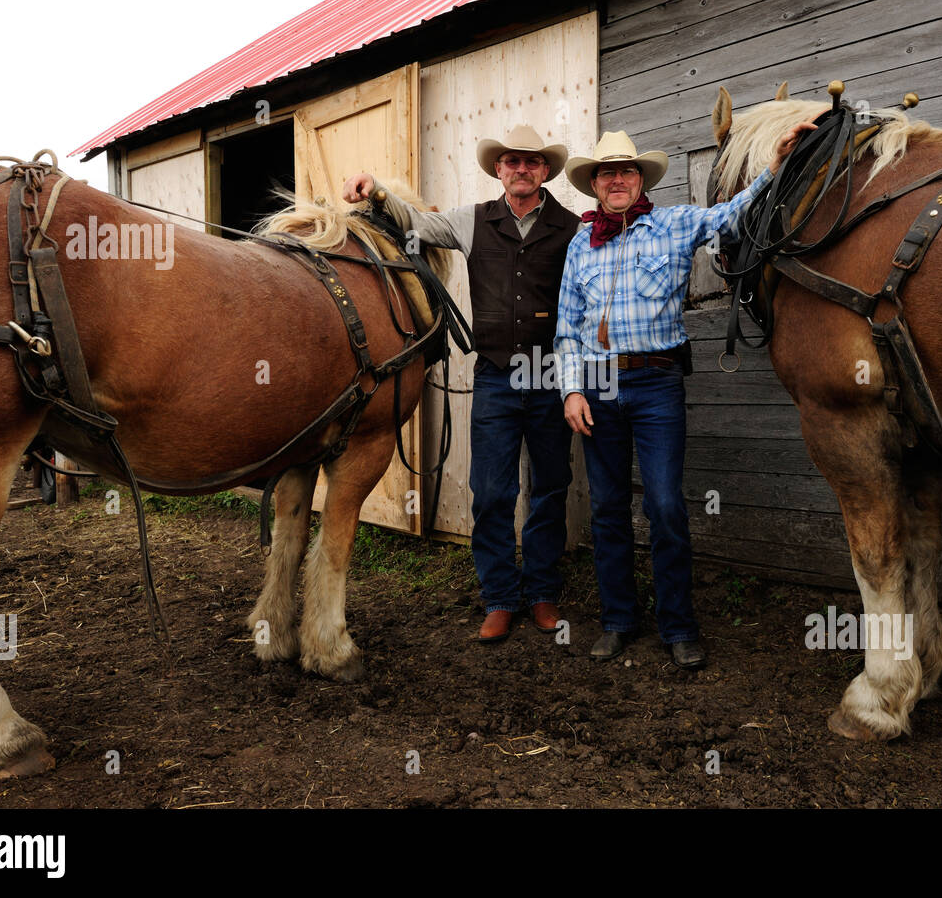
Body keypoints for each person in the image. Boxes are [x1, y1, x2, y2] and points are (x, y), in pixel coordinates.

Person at [555, 124, 814, 669]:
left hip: (655, 384)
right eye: (607, 173)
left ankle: (678, 625)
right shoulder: (582, 241)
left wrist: (776, 163)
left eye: (625, 171)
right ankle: (618, 620)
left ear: (640, 179)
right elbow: (567, 326)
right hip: (597, 386)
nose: (616, 180)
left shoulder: (673, 224)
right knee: (606, 507)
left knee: (666, 505)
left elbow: (733, 214)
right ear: (595, 184)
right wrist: (572, 389)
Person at [343, 125, 582, 644]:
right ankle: (499, 597)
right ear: (499, 170)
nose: (521, 169)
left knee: (549, 488)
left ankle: (541, 592)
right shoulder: (473, 221)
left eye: (532, 162)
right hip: (496, 376)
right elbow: (416, 223)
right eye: (512, 161)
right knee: (491, 491)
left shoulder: (571, 227)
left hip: (548, 375)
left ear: (545, 171)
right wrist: (376, 188)